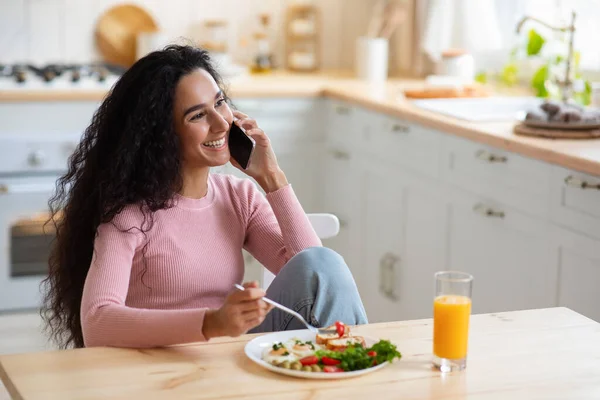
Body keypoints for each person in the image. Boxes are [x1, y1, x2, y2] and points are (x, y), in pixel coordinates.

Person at [42, 45, 367, 349]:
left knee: (325, 262)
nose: (220, 122)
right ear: (161, 135)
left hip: (230, 357)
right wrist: (211, 323)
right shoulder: (130, 216)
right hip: (163, 369)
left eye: (220, 102)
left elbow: (316, 276)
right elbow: (97, 322)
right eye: (197, 115)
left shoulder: (238, 196)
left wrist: (272, 178)